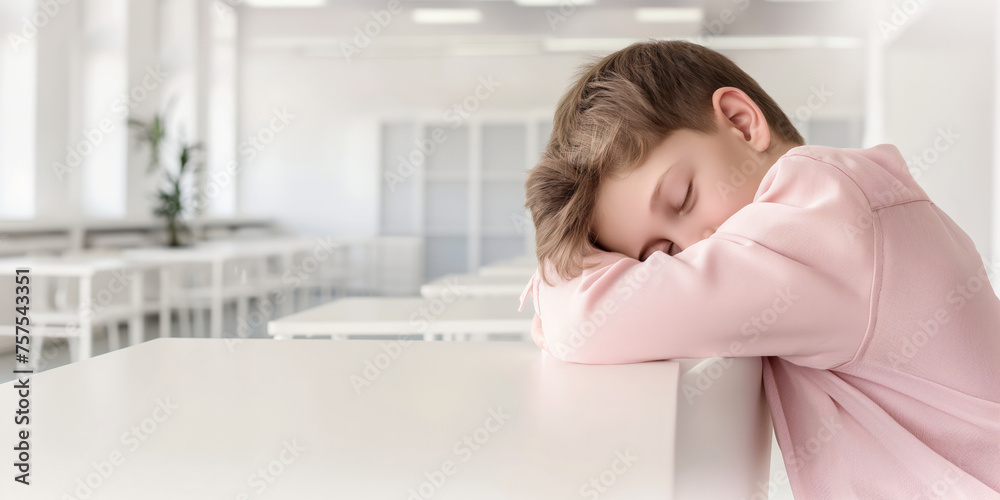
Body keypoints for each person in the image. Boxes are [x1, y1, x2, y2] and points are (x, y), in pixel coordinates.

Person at [519, 39, 1000, 498]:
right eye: (659, 255)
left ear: (741, 122)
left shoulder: (822, 211)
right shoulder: (855, 193)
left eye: (682, 198)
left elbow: (590, 320)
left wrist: (560, 272)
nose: (693, 251)